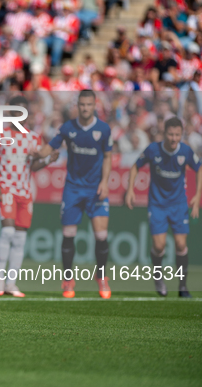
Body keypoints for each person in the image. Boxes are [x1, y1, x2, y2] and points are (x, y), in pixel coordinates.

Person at [31, 90, 113, 299]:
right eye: (82, 104)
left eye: (89, 105)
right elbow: (48, 149)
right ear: (78, 105)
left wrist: (104, 181)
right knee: (68, 234)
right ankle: (68, 279)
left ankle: (101, 277)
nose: (85, 108)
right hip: (73, 188)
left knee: (101, 235)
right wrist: (31, 150)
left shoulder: (103, 129)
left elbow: (108, 157)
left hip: (95, 188)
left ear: (95, 105)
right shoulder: (68, 128)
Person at [0, 96, 59, 298]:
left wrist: (47, 161)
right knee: (8, 232)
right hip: (6, 188)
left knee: (20, 238)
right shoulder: (0, 134)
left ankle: (11, 284)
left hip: (25, 192)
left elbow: (33, 166)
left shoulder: (34, 137)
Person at [125, 117, 201, 297]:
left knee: (181, 244)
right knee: (159, 246)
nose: (174, 138)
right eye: (171, 134)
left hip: (179, 204)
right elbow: (135, 167)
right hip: (157, 204)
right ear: (164, 133)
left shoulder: (186, 151)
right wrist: (130, 190)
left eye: (177, 135)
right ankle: (158, 277)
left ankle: (182, 286)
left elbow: (199, 168)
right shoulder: (153, 149)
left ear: (181, 135)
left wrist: (197, 196)